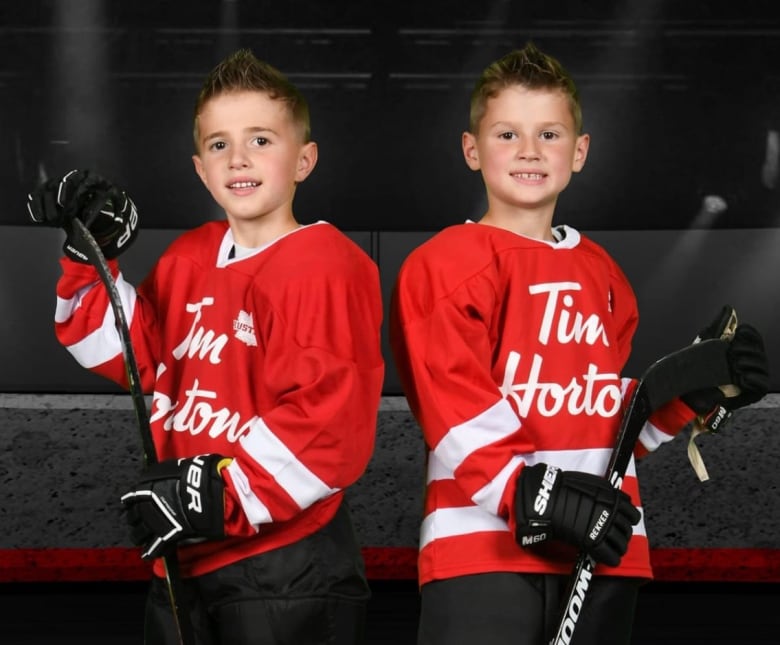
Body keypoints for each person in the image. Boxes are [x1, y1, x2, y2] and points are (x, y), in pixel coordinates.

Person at [388, 42, 769, 645]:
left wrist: (688, 392)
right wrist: (531, 494)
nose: (530, 151)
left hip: (605, 548)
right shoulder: (443, 264)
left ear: (580, 151)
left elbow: (599, 423)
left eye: (550, 134)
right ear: (471, 149)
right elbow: (452, 405)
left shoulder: (604, 274)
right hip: (483, 554)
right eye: (507, 134)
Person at [27, 49, 385, 644]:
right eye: (219, 145)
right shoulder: (191, 256)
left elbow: (330, 423)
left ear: (305, 159)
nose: (239, 159)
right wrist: (88, 257)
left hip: (286, 566)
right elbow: (127, 356)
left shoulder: (327, 264)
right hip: (185, 559)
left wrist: (218, 495)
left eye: (262, 141)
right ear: (200, 167)